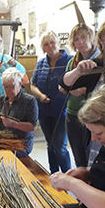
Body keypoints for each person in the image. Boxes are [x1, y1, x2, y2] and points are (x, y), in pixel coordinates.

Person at [30, 31, 73, 174]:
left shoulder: (70, 61)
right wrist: (41, 95)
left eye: (52, 42)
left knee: (59, 146)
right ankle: (53, 174)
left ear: (58, 43)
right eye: (46, 44)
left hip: (63, 111)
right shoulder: (41, 63)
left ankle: (68, 176)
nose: (50, 46)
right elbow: (33, 84)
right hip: (44, 110)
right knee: (50, 145)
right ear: (43, 48)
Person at [65, 24, 100, 167]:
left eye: (83, 37)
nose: (80, 42)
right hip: (73, 113)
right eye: (76, 39)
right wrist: (65, 89)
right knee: (79, 157)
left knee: (94, 157)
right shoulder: (72, 62)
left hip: (95, 115)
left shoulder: (101, 60)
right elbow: (64, 85)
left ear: (91, 37)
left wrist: (83, 90)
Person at [0, 68, 38, 158]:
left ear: (20, 84)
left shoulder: (29, 101)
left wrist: (13, 124)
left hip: (20, 143)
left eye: (11, 86)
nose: (8, 90)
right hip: (2, 139)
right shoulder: (2, 98)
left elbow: (31, 127)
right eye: (5, 87)